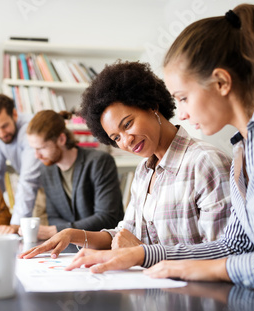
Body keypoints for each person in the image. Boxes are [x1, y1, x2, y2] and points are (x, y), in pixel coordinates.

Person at [65, 4, 254, 290]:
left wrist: (217, 270)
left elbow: (235, 258)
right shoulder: (243, 149)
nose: (182, 113)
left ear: (221, 82)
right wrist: (144, 255)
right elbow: (234, 245)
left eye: (183, 98)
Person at [20, 61, 231, 259]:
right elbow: (124, 235)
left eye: (128, 124)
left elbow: (223, 253)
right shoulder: (144, 171)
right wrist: (72, 234)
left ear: (151, 106)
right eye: (116, 138)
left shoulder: (206, 163)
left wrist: (144, 253)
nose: (127, 141)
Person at [24, 109, 124, 240]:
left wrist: (56, 230)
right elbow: (53, 216)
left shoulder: (99, 162)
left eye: (41, 148)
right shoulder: (46, 170)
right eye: (34, 149)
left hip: (104, 246)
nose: (37, 156)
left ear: (61, 139)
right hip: (68, 249)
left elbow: (106, 218)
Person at [0, 94, 43, 234]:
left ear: (14, 114)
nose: (1, 133)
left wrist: (15, 225)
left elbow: (28, 180)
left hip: (45, 188)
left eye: (5, 126)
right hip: (29, 187)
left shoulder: (31, 128)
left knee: (39, 235)